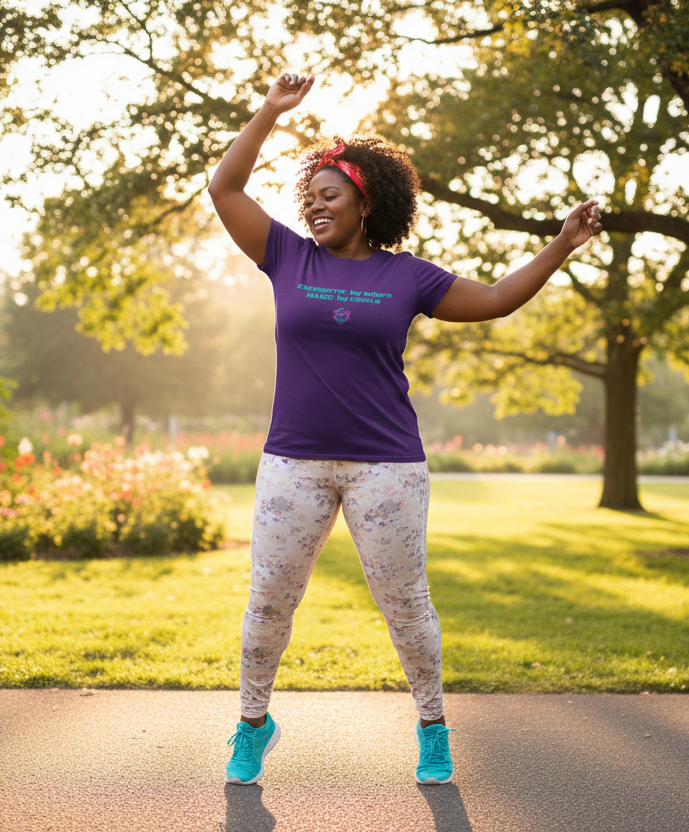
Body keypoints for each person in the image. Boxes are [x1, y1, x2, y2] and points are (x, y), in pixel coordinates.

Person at [208, 72, 602, 787]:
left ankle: (432, 728)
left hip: (385, 465)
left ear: (367, 202)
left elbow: (494, 300)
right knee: (269, 600)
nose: (316, 205)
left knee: (406, 605)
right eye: (311, 197)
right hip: (293, 461)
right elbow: (226, 190)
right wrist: (268, 111)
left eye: (331, 195)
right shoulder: (287, 256)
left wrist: (560, 247)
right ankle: (252, 724)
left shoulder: (407, 278)